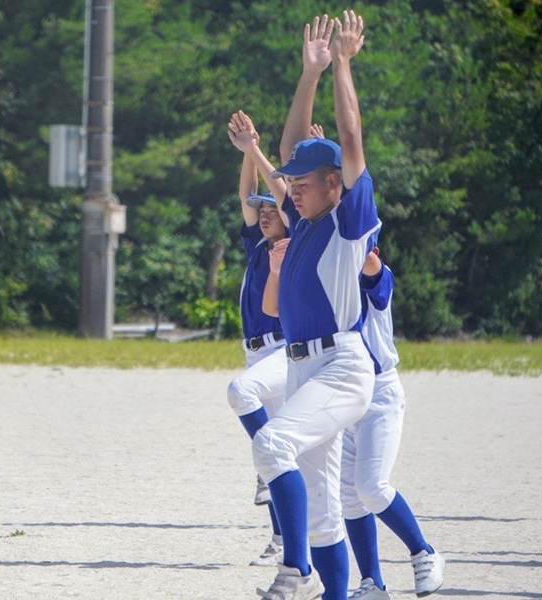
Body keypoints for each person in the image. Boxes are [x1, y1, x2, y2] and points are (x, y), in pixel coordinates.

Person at [253, 11, 381, 600]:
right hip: (305, 365)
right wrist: (309, 73)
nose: (292, 186)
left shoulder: (346, 220)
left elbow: (349, 141)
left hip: (342, 365)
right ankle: (333, 590)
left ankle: (296, 568)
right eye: (291, 181)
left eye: (305, 180)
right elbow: (289, 146)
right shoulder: (303, 221)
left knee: (272, 443)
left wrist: (344, 65)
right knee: (326, 510)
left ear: (335, 183)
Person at [342, 248, 445, 599]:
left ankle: (423, 552)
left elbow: (369, 265)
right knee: (349, 497)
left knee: (371, 486)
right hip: (341, 393)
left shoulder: (374, 273)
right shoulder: (327, 281)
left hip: (378, 393)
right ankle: (373, 584)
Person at [225, 109, 290, 567]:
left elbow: (282, 197)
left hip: (284, 353)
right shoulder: (259, 245)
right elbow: (248, 199)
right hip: (256, 353)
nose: (264, 215)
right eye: (261, 212)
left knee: (276, 450)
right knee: (272, 457)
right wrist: (247, 153)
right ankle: (280, 537)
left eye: (273, 211)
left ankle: (288, 538)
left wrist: (257, 151)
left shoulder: (298, 244)